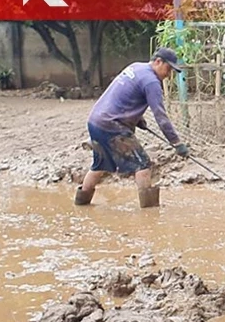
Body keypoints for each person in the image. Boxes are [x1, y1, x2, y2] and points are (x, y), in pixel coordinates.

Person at [75, 47, 190, 208]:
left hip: (95, 120)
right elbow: (161, 117)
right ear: (158, 62)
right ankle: (150, 212)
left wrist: (137, 118)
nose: (168, 74)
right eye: (168, 69)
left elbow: (123, 95)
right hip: (112, 126)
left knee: (100, 165)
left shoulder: (135, 67)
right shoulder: (152, 82)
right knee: (142, 164)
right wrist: (177, 143)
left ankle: (81, 203)